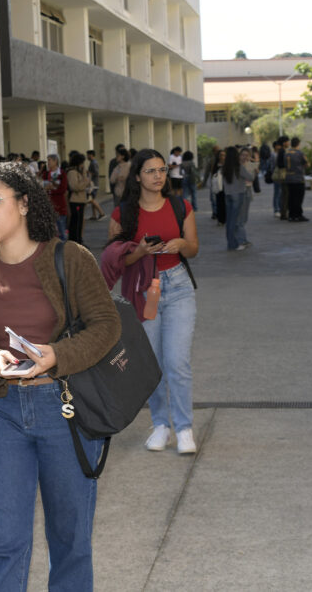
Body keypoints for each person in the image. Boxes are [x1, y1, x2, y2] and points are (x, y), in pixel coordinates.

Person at [0, 161, 120, 592]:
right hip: (4, 411)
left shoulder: (70, 258)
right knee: (4, 542)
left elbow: (106, 325)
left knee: (69, 539)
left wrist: (56, 355)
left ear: (24, 203)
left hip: (64, 410)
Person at [108, 149, 199, 454]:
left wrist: (182, 244)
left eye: (161, 170)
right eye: (150, 171)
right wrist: (142, 253)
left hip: (178, 286)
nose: (158, 176)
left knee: (178, 362)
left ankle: (184, 428)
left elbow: (194, 249)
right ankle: (161, 425)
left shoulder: (180, 206)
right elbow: (116, 260)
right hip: (142, 290)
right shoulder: (123, 214)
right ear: (137, 176)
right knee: (154, 364)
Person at [221, 147, 252, 251]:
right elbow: (250, 177)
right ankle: (236, 243)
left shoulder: (224, 167)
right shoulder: (239, 167)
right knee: (236, 220)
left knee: (229, 220)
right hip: (238, 194)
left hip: (228, 194)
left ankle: (231, 243)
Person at [43, 153, 69, 241]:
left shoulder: (61, 173)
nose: (48, 163)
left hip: (59, 205)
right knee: (50, 232)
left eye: (49, 160)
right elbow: (43, 187)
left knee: (61, 230)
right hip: (48, 205)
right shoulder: (46, 174)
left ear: (55, 161)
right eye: (47, 161)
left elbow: (63, 189)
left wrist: (51, 190)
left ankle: (62, 251)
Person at [66, 152, 89, 243]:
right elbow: (75, 186)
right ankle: (75, 241)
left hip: (81, 200)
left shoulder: (79, 172)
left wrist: (83, 173)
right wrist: (86, 183)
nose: (83, 165)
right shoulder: (72, 172)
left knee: (79, 223)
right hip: (75, 200)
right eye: (82, 163)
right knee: (75, 223)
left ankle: (79, 240)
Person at [284, 137, 308, 222]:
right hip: (298, 178)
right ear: (298, 144)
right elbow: (306, 164)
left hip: (288, 178)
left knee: (291, 197)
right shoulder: (300, 153)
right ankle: (298, 214)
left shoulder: (287, 153)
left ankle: (291, 215)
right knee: (299, 197)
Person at [85, 150, 105, 220]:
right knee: (92, 199)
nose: (87, 156)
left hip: (93, 184)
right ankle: (94, 215)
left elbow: (96, 173)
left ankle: (101, 213)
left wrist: (88, 172)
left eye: (88, 155)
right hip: (93, 184)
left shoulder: (93, 163)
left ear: (91, 155)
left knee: (91, 199)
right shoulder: (92, 162)